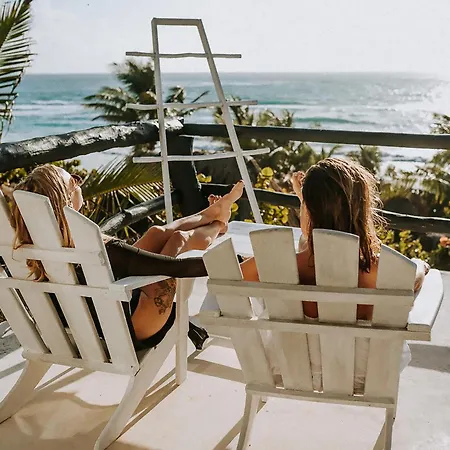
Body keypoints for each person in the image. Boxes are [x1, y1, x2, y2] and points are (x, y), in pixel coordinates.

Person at [9, 164, 244, 351]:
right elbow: (175, 268)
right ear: (66, 199)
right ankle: (217, 223)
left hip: (86, 323)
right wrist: (234, 264)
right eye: (74, 181)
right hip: (131, 330)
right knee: (177, 241)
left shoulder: (31, 246)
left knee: (156, 233)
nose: (79, 183)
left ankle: (212, 217)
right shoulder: (96, 246)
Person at [240, 157, 430, 318]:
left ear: (308, 214)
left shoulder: (275, 266)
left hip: (288, 351)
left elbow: (233, 277)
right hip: (358, 353)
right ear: (362, 215)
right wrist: (420, 265)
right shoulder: (377, 271)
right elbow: (413, 278)